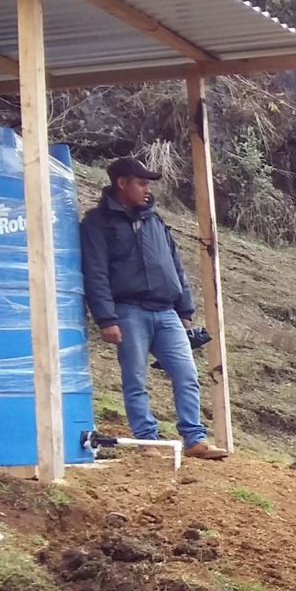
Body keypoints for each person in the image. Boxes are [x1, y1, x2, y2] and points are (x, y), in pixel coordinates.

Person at [80, 156, 224, 460]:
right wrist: (106, 318)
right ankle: (147, 440)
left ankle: (194, 439)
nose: (147, 190)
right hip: (128, 311)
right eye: (141, 182)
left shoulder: (156, 221)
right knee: (136, 378)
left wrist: (185, 310)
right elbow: (95, 273)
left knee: (187, 374)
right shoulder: (97, 223)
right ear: (122, 183)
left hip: (167, 312)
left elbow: (175, 266)